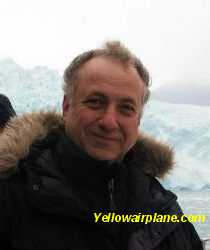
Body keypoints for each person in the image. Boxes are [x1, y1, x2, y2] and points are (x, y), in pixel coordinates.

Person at [0, 41, 203, 250]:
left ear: (138, 121)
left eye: (126, 108)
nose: (108, 122)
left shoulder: (160, 208)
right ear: (67, 107)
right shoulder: (11, 197)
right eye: (96, 102)